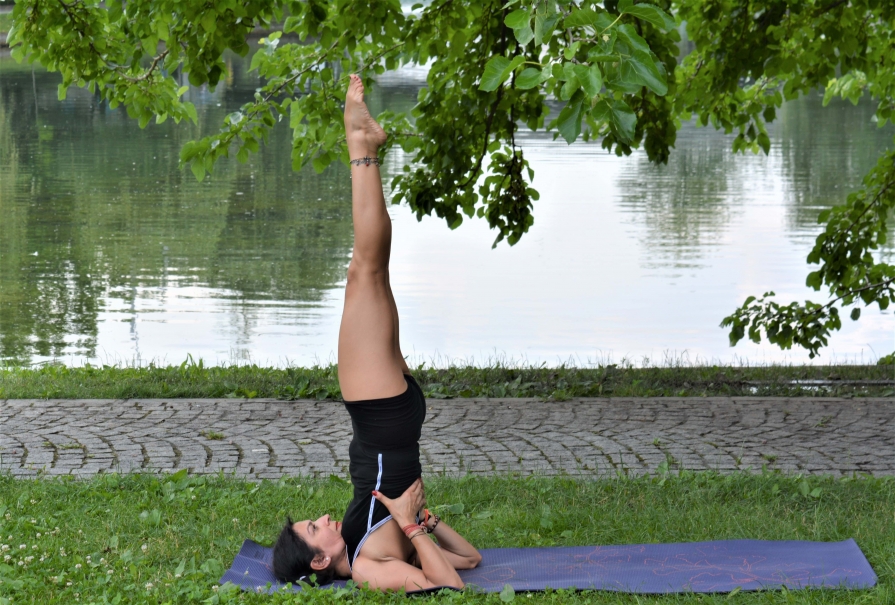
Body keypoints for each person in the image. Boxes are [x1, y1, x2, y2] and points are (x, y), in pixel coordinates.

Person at [272, 74, 482, 592]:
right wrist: (413, 522)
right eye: (315, 528)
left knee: (370, 272)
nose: (323, 518)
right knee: (364, 270)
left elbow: (470, 559)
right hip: (381, 414)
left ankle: (364, 146)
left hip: (392, 418)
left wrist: (423, 524)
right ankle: (360, 144)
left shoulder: (364, 541)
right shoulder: (365, 567)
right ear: (321, 561)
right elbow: (452, 585)